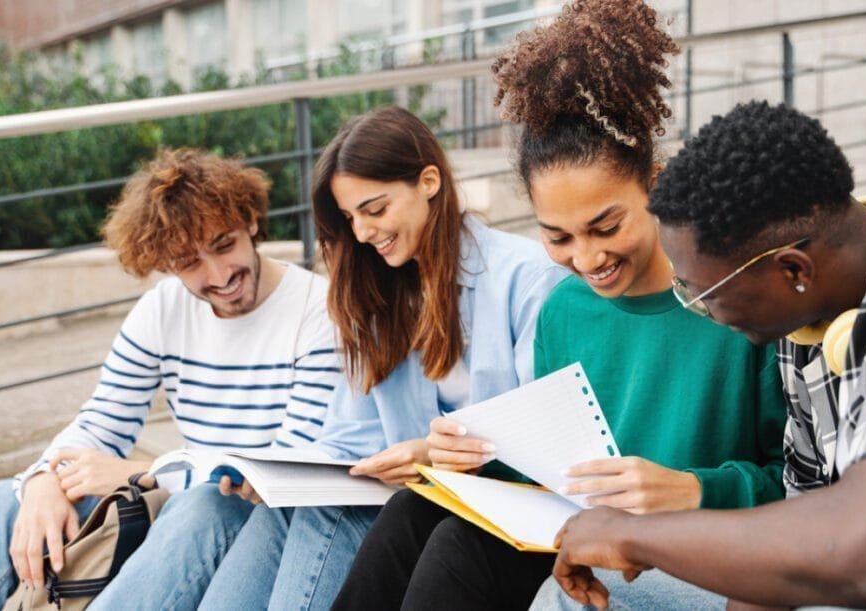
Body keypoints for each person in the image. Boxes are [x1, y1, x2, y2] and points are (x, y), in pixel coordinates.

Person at [332, 3, 788, 609]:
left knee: (459, 557)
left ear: (654, 186)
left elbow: (798, 479)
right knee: (417, 512)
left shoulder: (737, 298)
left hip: (695, 547)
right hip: (584, 530)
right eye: (558, 236)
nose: (586, 257)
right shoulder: (566, 308)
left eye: (605, 226)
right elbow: (553, 467)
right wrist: (469, 458)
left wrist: (689, 488)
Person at [545, 100, 866, 611]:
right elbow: (786, 556)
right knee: (583, 598)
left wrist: (633, 537)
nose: (701, 312)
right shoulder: (805, 324)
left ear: (793, 270)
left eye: (703, 294)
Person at [0, 149, 342, 611]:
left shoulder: (318, 310)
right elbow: (104, 421)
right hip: (183, 503)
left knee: (204, 506)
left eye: (224, 244)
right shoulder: (163, 309)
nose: (219, 274)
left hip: (256, 518)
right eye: (189, 262)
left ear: (250, 221)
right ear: (166, 263)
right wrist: (44, 478)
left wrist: (144, 473)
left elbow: (282, 471)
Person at [195, 105, 565, 611]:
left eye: (375, 209)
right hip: (422, 498)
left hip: (508, 502)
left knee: (366, 516)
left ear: (429, 181)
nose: (364, 232)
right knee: (283, 510)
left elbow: (546, 431)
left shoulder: (526, 278)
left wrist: (429, 452)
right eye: (350, 219)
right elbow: (351, 436)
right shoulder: (375, 297)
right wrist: (281, 475)